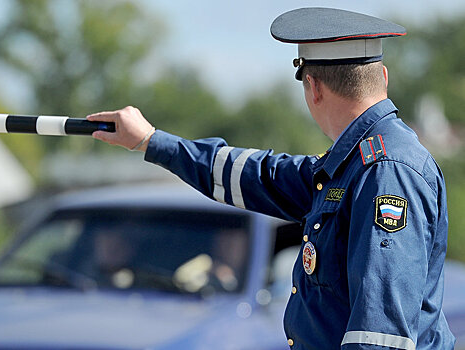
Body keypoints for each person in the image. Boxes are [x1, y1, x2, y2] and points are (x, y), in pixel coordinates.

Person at [86, 7, 455, 350]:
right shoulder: (354, 164)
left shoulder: (383, 170)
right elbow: (258, 175)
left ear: (314, 87)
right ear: (383, 77)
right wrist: (151, 141)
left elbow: (380, 337)